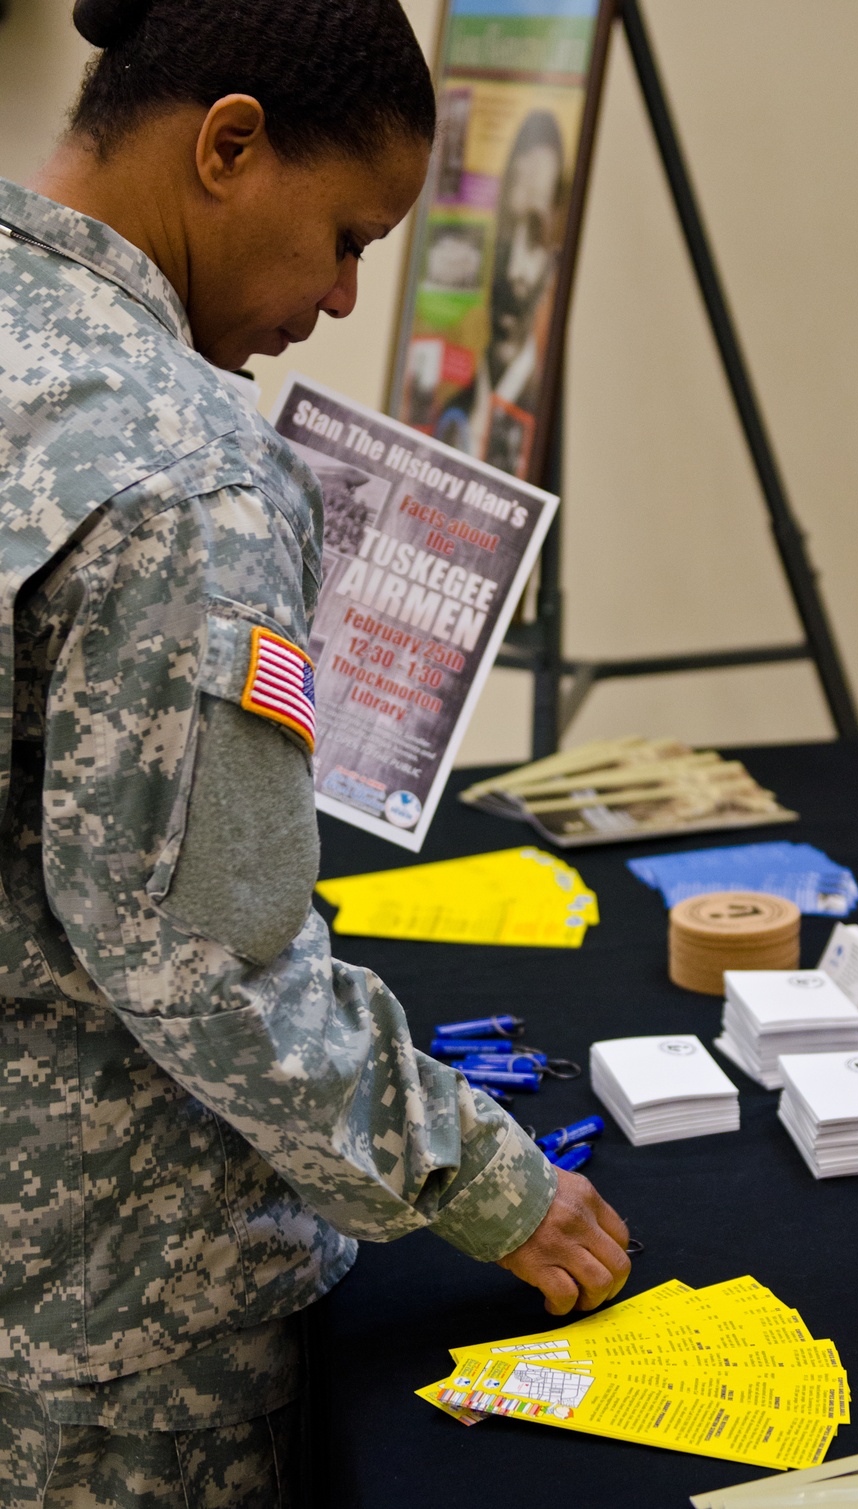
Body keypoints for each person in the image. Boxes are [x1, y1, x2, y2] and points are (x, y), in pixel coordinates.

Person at [0, 0, 630, 1503]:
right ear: (229, 145)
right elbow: (210, 951)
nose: (350, 297)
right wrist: (489, 1181)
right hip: (117, 1317)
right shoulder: (189, 475)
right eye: (350, 234)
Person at [436, 109, 565, 475]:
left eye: (535, 236)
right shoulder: (449, 412)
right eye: (508, 233)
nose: (514, 274)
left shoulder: (541, 426)